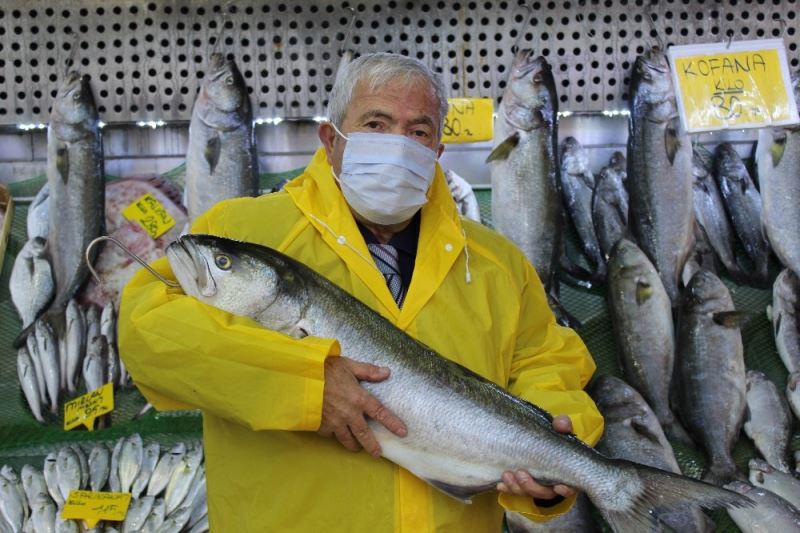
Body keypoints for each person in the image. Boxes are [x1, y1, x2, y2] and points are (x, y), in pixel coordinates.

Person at [119, 52, 603, 532]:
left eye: (418, 131)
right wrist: (302, 383)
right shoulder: (241, 231)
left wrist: (556, 444)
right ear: (331, 140)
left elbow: (547, 362)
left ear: (437, 150)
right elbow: (149, 334)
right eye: (375, 123)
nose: (398, 144)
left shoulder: (498, 263)